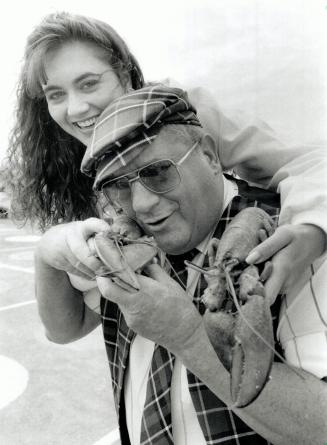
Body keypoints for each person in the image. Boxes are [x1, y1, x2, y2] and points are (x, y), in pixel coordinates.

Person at [35, 85, 327, 444]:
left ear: (209, 155)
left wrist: (188, 337)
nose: (142, 204)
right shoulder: (125, 244)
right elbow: (64, 328)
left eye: (158, 172)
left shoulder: (294, 242)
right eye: (118, 186)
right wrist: (45, 254)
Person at [4, 11, 326, 303]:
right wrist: (48, 250)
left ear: (126, 76)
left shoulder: (186, 112)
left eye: (89, 84)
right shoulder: (72, 159)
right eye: (56, 95)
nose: (75, 109)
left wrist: (312, 228)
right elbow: (70, 325)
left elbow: (303, 162)